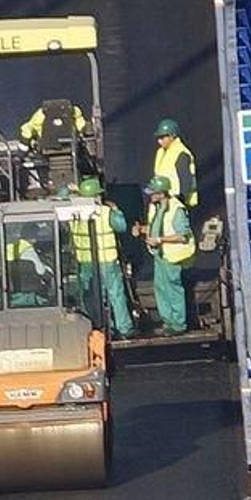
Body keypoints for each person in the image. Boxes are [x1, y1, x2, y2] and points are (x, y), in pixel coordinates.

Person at [68, 176, 134, 339]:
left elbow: (61, 195)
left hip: (86, 262)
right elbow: (122, 226)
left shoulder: (73, 213)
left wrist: (74, 190)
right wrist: (117, 210)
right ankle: (124, 329)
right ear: (98, 196)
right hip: (107, 260)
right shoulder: (106, 212)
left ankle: (98, 327)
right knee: (116, 295)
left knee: (91, 296)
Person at [136, 175, 196, 335]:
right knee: (161, 288)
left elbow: (182, 235)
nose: (150, 195)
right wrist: (142, 230)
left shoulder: (176, 209)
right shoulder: (155, 207)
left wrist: (159, 240)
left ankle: (178, 324)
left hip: (172, 255)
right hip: (160, 255)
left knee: (173, 289)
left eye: (153, 192)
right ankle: (168, 321)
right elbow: (155, 226)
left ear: (162, 193)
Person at [151, 117, 199, 209]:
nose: (159, 141)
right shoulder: (161, 152)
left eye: (162, 137)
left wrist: (179, 201)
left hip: (178, 203)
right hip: (164, 202)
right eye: (159, 138)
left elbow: (186, 181)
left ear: (172, 136)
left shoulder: (181, 153)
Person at [19, 101, 88, 149]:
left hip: (46, 145)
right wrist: (82, 132)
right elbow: (81, 125)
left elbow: (27, 129)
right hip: (71, 144)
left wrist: (24, 147)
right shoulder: (74, 112)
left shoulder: (39, 116)